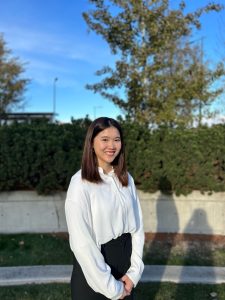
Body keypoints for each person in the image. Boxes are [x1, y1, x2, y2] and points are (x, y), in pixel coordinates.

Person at [65, 117, 144, 300]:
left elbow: (138, 228)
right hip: (94, 270)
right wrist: (112, 288)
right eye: (105, 139)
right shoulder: (80, 183)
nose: (112, 145)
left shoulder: (126, 179)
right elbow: (82, 243)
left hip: (125, 268)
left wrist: (134, 273)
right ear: (91, 143)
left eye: (116, 139)